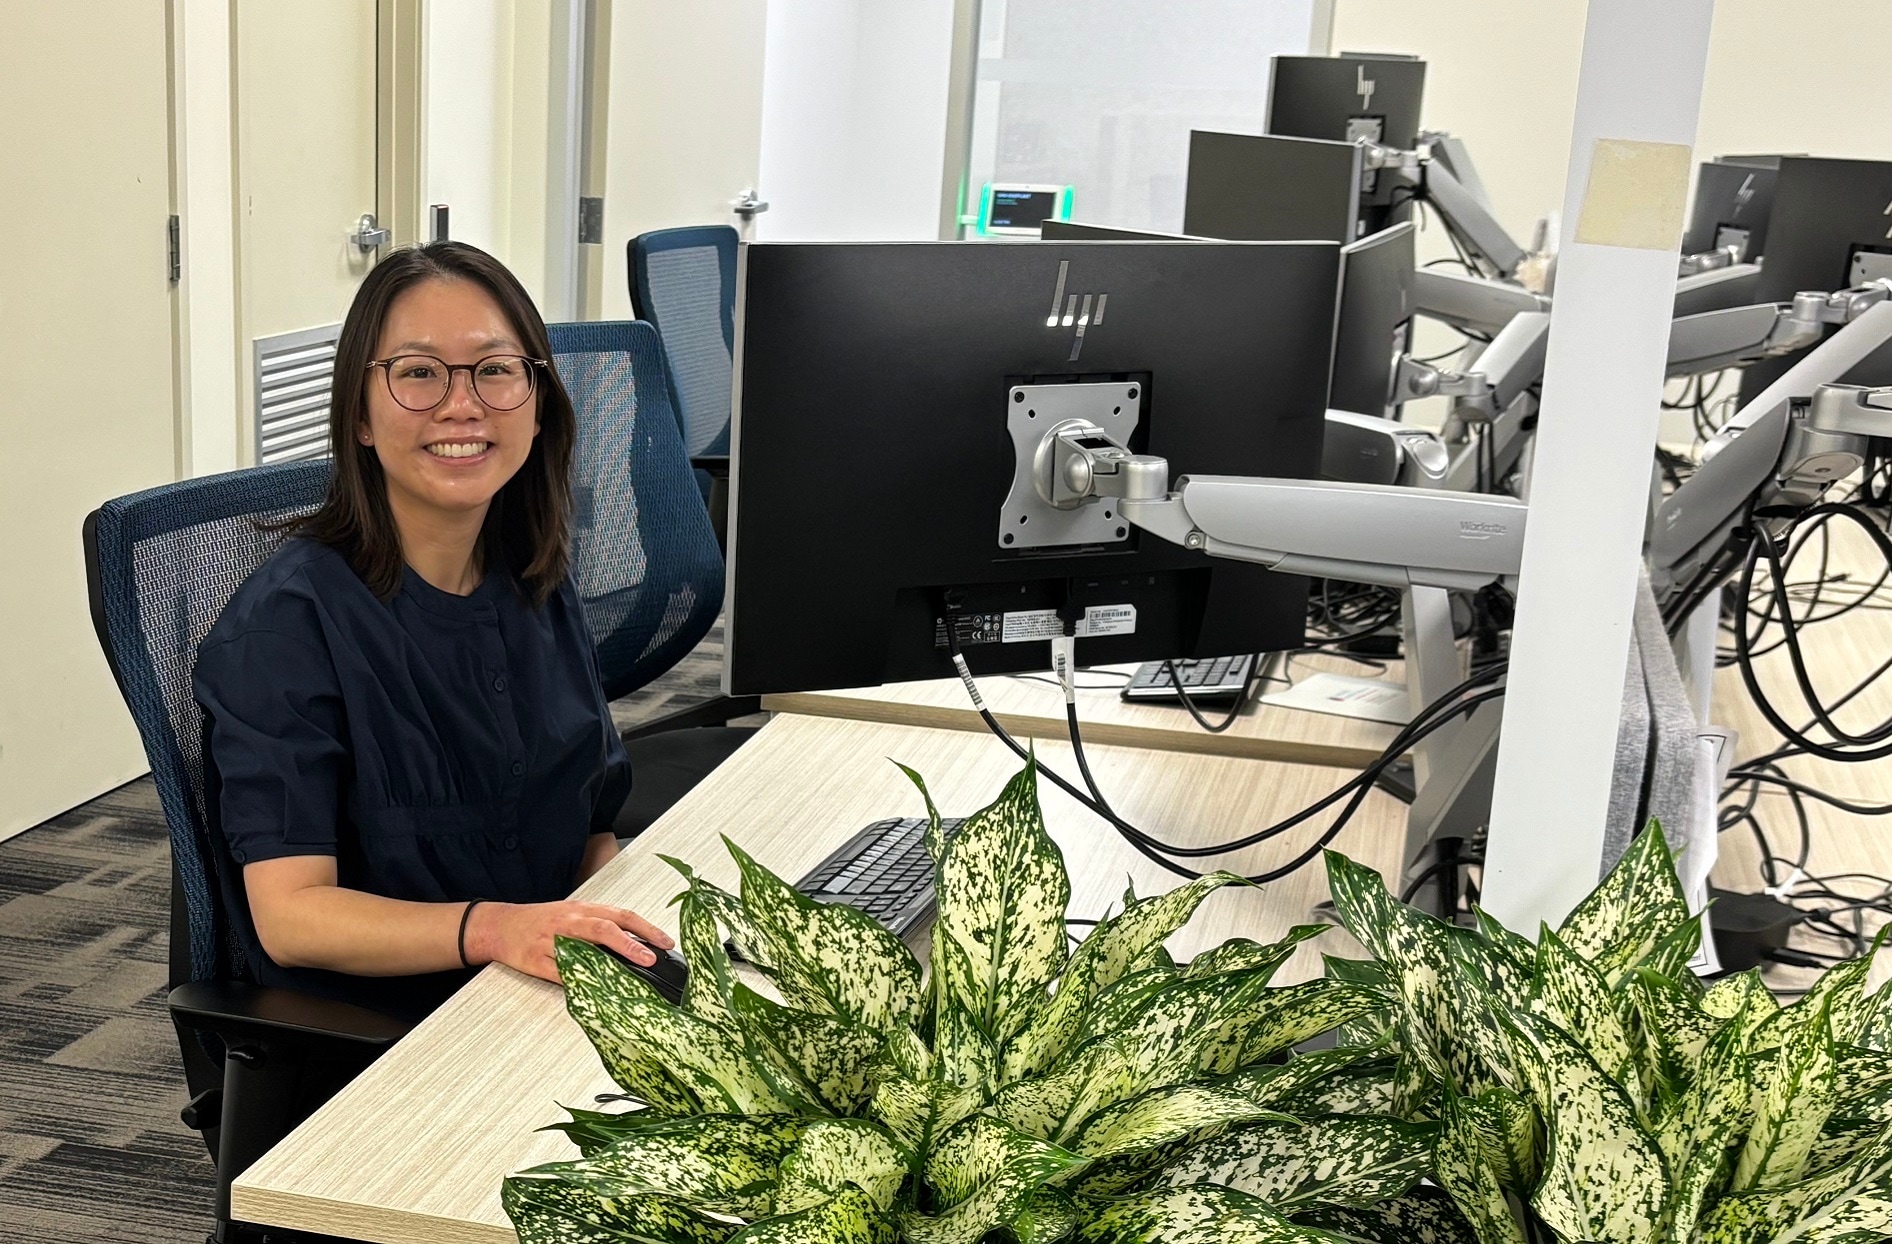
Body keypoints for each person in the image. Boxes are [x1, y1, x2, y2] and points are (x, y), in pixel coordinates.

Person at [194, 241, 672, 1022]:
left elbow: (589, 827)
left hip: (547, 987)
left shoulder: (533, 581)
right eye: (418, 372)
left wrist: (638, 938)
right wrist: (494, 931)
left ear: (537, 399)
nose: (463, 405)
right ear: (360, 416)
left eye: (494, 369)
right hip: (396, 1030)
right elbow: (291, 916)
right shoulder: (286, 626)